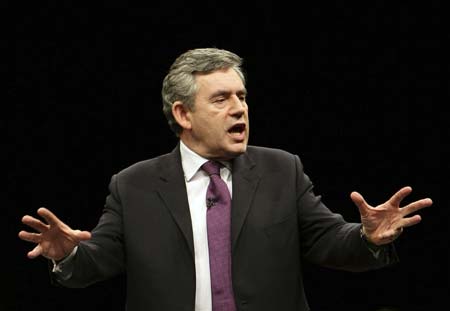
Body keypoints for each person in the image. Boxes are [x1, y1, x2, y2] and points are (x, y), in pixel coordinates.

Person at [18, 47, 433, 311]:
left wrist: (366, 238)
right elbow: (99, 261)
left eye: (242, 97)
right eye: (221, 99)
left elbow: (327, 241)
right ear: (183, 114)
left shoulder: (281, 170)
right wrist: (67, 255)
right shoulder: (133, 185)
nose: (240, 109)